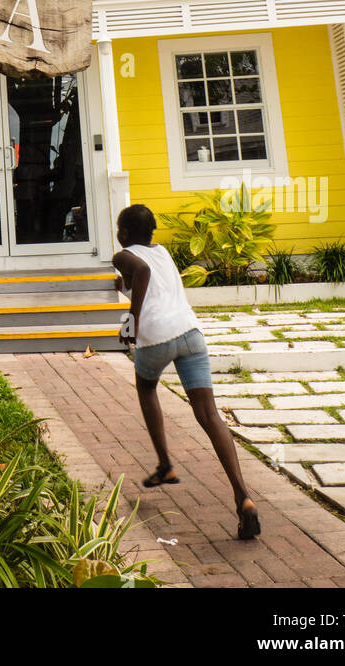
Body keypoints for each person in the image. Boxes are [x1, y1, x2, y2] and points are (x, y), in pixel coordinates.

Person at [112, 203, 261, 541]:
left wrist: (131, 323)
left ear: (123, 233)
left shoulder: (122, 255)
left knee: (147, 389)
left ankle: (165, 464)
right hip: (191, 333)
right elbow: (145, 279)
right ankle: (243, 496)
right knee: (209, 415)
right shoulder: (161, 252)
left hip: (158, 338)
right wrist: (120, 286)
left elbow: (142, 275)